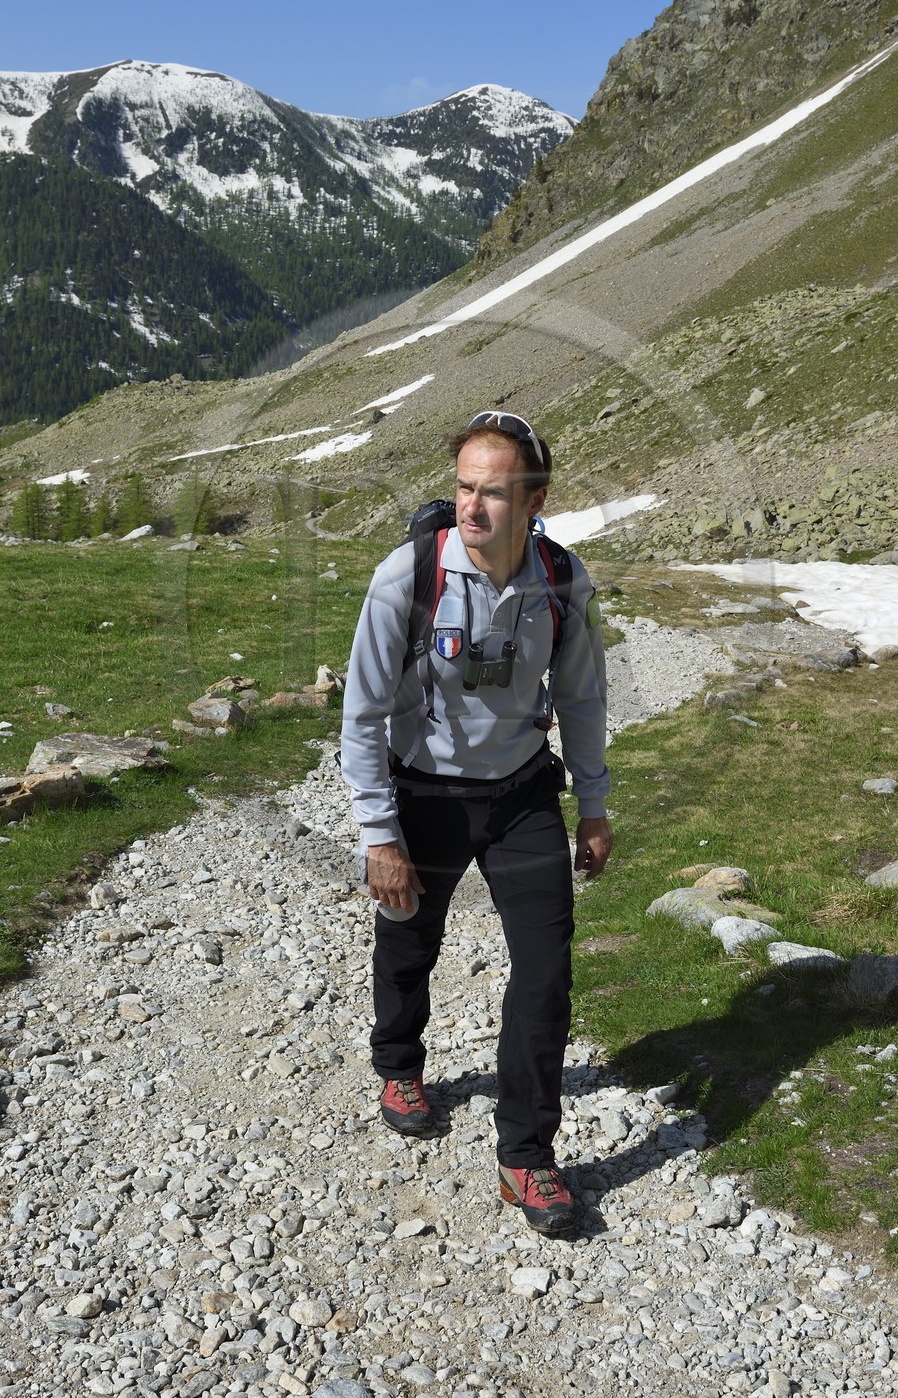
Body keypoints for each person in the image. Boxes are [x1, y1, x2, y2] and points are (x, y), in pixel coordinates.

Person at [340, 410, 612, 1234]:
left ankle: (527, 1157)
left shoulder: (562, 581)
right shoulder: (407, 577)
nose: (471, 506)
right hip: (424, 795)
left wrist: (593, 805)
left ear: (534, 500)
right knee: (409, 938)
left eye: (493, 492)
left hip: (524, 794)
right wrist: (378, 835)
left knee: (545, 971)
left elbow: (583, 697)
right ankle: (399, 1065)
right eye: (463, 487)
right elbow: (360, 717)